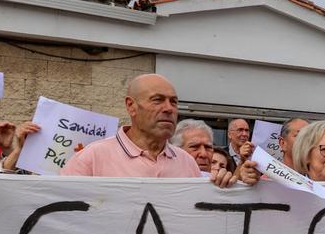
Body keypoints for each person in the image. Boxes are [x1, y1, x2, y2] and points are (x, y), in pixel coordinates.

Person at [60, 74, 247, 187]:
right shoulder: (92, 158)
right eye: (157, 100)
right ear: (131, 106)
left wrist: (225, 186)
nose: (168, 109)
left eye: (173, 102)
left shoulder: (186, 163)